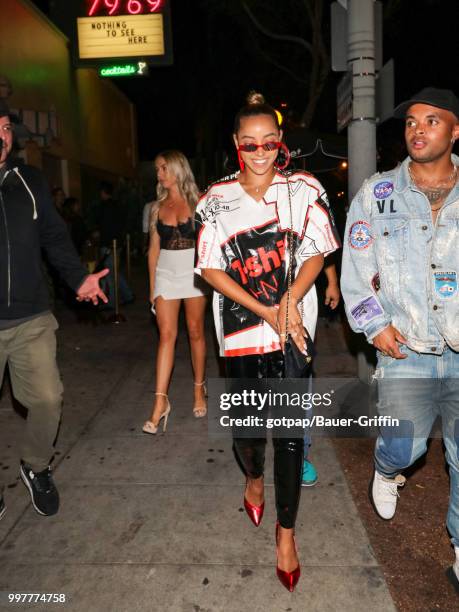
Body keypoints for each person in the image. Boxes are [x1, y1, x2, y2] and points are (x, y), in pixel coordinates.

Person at [195, 92, 339, 591]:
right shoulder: (214, 200)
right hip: (238, 332)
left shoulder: (304, 189)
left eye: (269, 143)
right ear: (236, 143)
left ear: (281, 144)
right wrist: (264, 309)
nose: (260, 152)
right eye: (249, 144)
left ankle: (286, 533)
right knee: (248, 436)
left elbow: (318, 254)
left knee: (291, 436)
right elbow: (211, 268)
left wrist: (290, 302)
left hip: (295, 331)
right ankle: (252, 477)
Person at [341, 87, 459, 586]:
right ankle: (386, 469)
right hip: (405, 347)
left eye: (431, 121)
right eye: (412, 122)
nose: (418, 130)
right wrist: (375, 324)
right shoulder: (377, 193)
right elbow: (355, 269)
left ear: (455, 132)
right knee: (404, 447)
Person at [0, 101, 108, 519]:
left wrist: (79, 279)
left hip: (30, 316)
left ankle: (35, 465)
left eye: (6, 128)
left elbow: (55, 237)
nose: (2, 136)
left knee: (48, 398)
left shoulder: (30, 181)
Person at [142, 150, 209, 434]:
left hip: (194, 274)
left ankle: (198, 389)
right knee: (166, 336)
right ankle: (160, 403)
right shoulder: (156, 208)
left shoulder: (201, 202)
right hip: (166, 273)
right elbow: (153, 250)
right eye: (158, 169)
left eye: (163, 168)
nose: (159, 174)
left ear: (178, 169)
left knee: (195, 331)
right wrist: (152, 287)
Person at [302, 261, 341, 487]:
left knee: (300, 373)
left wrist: (332, 280)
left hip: (302, 296)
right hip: (256, 294)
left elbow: (322, 236)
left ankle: (300, 454)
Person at [92, 182, 134, 309]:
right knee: (114, 271)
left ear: (103, 192)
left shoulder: (104, 207)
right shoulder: (118, 206)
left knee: (109, 273)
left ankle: (112, 303)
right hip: (117, 243)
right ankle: (128, 295)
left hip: (108, 243)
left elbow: (102, 225)